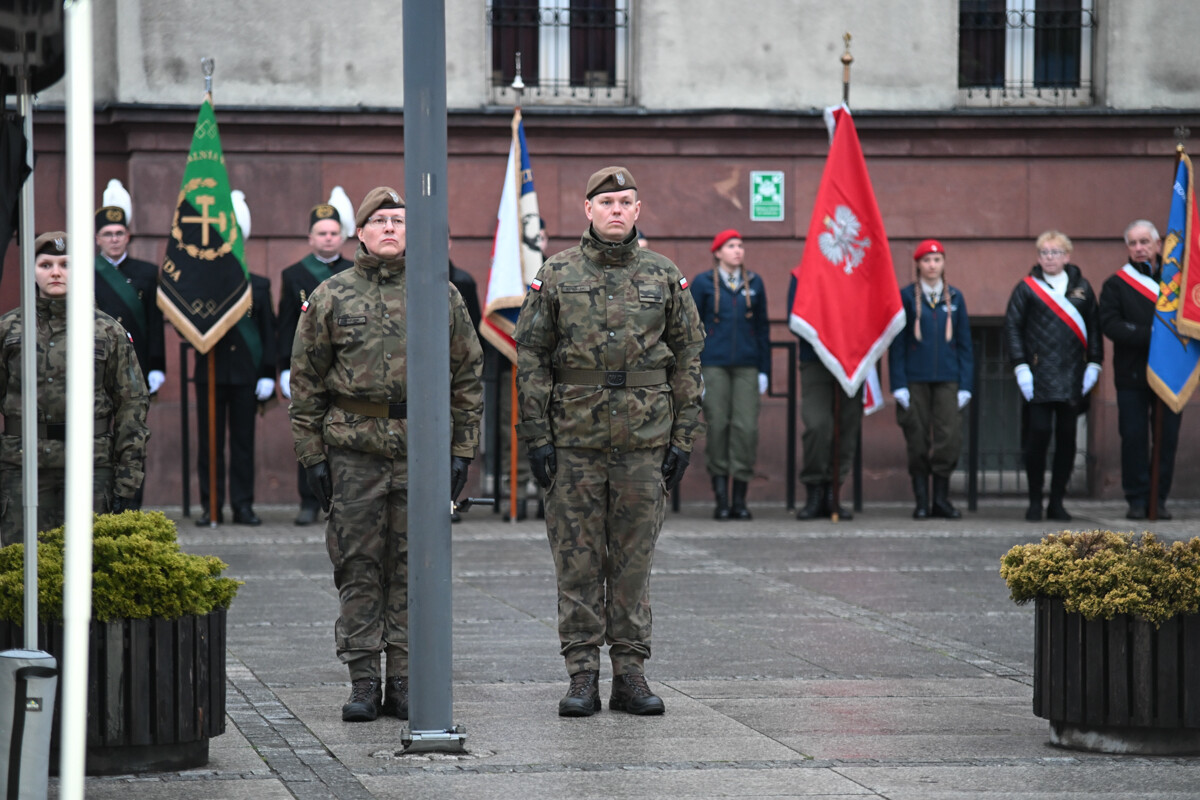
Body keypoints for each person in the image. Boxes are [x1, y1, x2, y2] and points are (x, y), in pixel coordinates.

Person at [514, 166, 704, 717]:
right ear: (588, 209)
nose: (616, 210)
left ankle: (630, 674)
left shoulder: (664, 275)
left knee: (633, 563)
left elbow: (689, 357)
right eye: (606, 202)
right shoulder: (556, 274)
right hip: (574, 443)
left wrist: (683, 437)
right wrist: (537, 436)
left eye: (625, 202)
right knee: (576, 562)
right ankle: (581, 675)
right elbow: (532, 358)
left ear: (637, 210)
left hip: (644, 443)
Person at [289, 186, 484, 723]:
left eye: (399, 220)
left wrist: (462, 450)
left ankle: (402, 679)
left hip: (422, 451)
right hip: (353, 453)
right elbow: (305, 381)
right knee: (357, 565)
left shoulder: (439, 293)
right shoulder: (330, 295)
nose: (391, 229)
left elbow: (467, 375)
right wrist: (311, 455)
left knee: (411, 567)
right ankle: (362, 680)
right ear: (361, 232)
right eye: (380, 221)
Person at [0, 232, 149, 544]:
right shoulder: (9, 329)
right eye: (46, 264)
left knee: (87, 564)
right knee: (22, 564)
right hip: (22, 467)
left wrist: (128, 479)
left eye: (66, 264)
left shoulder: (107, 331)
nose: (56, 272)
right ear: (32, 270)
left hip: (90, 467)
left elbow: (132, 404)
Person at [1004, 230, 1102, 522]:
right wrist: (1020, 366)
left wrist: (1094, 363)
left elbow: (1094, 327)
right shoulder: (1026, 288)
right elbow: (1013, 327)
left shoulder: (1083, 288)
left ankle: (1056, 501)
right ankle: (1035, 500)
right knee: (1038, 435)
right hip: (1038, 376)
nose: (1049, 258)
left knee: (1067, 438)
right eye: (1044, 252)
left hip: (1072, 375)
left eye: (1055, 252)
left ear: (1067, 256)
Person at [1099, 220, 1182, 520]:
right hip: (1131, 374)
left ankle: (1158, 499)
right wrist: (1153, 335)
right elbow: (1111, 325)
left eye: (1144, 242)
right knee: (1133, 438)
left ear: (1158, 244)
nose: (1139, 248)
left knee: (1166, 438)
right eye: (1133, 243)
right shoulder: (1116, 284)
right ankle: (1136, 499)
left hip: (1170, 372)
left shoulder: (1175, 283)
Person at [278, 202, 354, 526]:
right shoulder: (293, 274)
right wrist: (283, 368)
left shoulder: (354, 272)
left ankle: (345, 499)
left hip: (348, 366)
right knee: (308, 430)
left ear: (343, 237)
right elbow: (285, 324)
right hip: (309, 365)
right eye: (322, 233)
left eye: (334, 233)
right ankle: (309, 501)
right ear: (310, 238)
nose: (328, 238)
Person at [887, 239, 974, 520]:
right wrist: (898, 384)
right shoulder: (906, 297)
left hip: (948, 378)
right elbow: (897, 344)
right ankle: (922, 501)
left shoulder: (956, 298)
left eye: (937, 260)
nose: (932, 265)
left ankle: (941, 500)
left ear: (944, 263)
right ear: (918, 265)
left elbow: (965, 345)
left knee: (949, 438)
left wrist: (966, 385)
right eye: (926, 260)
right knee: (917, 438)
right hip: (915, 380)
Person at [689, 229, 770, 520]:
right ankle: (722, 499)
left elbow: (762, 328)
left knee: (745, 429)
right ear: (718, 252)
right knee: (718, 426)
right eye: (731, 246)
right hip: (713, 365)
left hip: (747, 365)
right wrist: (695, 369)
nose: (738, 250)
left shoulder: (754, 282)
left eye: (740, 245)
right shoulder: (703, 283)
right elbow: (692, 327)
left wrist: (764, 370)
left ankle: (740, 500)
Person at [94, 205, 165, 509]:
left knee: (132, 438)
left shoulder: (146, 272)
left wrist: (158, 366)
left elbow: (155, 323)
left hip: (135, 369)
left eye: (119, 233)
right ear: (97, 238)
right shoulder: (85, 271)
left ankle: (131, 505)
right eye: (108, 233)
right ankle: (101, 504)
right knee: (97, 437)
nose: (114, 239)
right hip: (96, 368)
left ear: (128, 236)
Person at [194, 271, 276, 527]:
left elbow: (268, 330)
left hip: (246, 374)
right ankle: (211, 507)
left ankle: (243, 506)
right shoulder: (201, 282)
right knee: (210, 445)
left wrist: (268, 372)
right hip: (211, 373)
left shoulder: (259, 285)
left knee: (243, 446)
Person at [786, 278, 860, 521]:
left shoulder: (854, 271)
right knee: (818, 424)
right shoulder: (802, 274)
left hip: (851, 357)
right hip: (815, 358)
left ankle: (833, 491)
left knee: (847, 425)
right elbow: (794, 319)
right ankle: (815, 490)